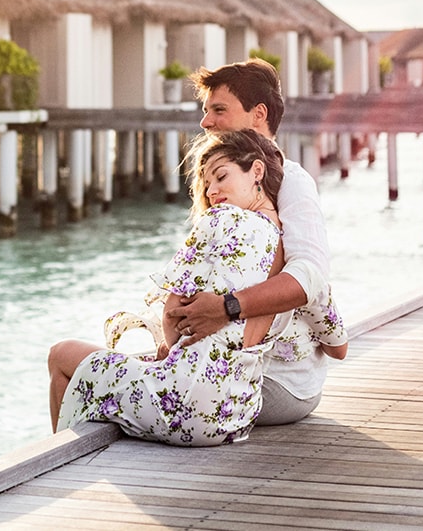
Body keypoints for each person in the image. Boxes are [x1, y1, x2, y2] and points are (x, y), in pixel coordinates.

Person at [49, 129, 294, 446]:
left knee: (60, 355)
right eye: (207, 184)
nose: (213, 191)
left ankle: (56, 461)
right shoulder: (291, 248)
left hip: (184, 406)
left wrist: (170, 345)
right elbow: (333, 343)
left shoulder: (222, 218)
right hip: (237, 414)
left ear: (256, 171)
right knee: (111, 372)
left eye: (221, 177)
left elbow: (172, 315)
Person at [167, 58, 348, 426]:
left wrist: (227, 307)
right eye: (205, 111)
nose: (205, 122)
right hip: (227, 357)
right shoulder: (224, 186)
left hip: (275, 377)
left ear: (258, 114)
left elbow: (309, 278)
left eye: (219, 110)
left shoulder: (292, 183)